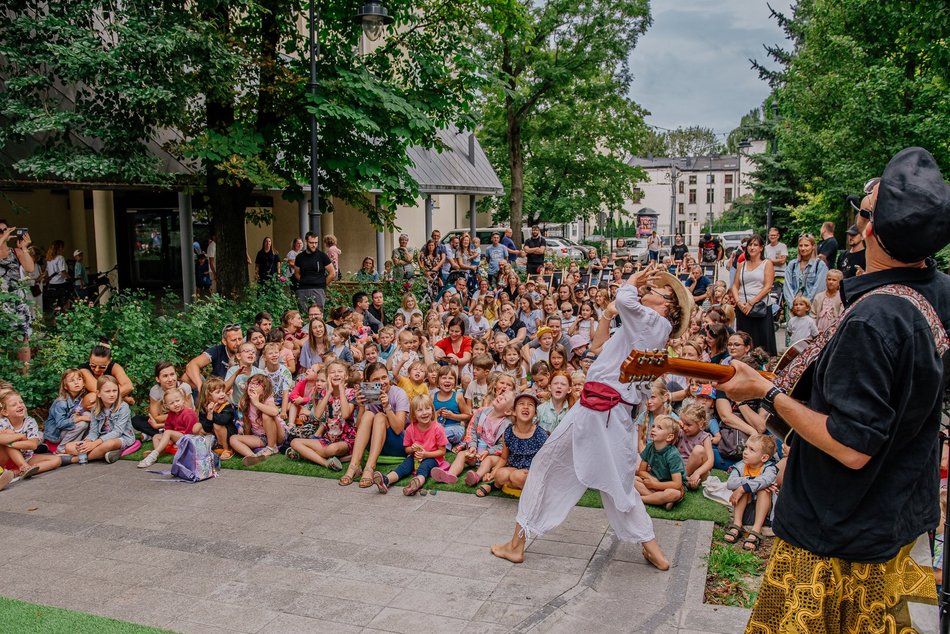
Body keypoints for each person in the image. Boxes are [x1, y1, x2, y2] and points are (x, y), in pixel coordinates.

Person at [717, 147, 950, 632]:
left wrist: (766, 392)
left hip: (835, 538)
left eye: (861, 212)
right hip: (891, 517)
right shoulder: (940, 292)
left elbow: (851, 446)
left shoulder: (873, 320)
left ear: (870, 230)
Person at [491, 263, 693, 569]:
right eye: (647, 288)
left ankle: (517, 544)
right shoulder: (641, 328)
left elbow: (626, 300)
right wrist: (610, 313)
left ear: (667, 305)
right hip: (602, 410)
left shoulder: (653, 322)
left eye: (655, 290)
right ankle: (651, 547)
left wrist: (630, 281)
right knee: (614, 483)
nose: (646, 291)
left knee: (552, 468)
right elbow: (598, 346)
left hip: (600, 411)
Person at [371, 393, 449, 496]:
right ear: (413, 414)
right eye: (420, 410)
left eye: (427, 408)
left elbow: (442, 451)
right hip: (415, 456)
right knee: (404, 467)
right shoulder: (410, 429)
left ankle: (417, 483)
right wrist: (412, 449)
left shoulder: (438, 428)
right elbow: (406, 449)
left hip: (432, 457)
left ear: (432, 410)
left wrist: (426, 454)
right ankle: (386, 480)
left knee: (424, 468)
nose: (424, 413)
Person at [723, 434, 778, 551]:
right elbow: (731, 483)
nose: (745, 452)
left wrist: (744, 487)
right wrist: (748, 484)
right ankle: (737, 524)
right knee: (745, 487)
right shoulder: (741, 465)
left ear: (764, 458)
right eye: (746, 447)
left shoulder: (770, 469)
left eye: (751, 450)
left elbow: (767, 479)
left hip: (765, 517)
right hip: (746, 512)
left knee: (763, 489)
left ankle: (756, 531)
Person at [730, 234, 776, 355]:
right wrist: (739, 302)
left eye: (755, 245)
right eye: (750, 245)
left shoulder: (767, 263)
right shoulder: (742, 264)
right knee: (744, 339)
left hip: (760, 306)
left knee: (762, 340)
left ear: (761, 248)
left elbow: (767, 286)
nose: (752, 247)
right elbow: (735, 285)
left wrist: (752, 302)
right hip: (743, 306)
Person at [0, 222, 35, 364]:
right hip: (1, 302)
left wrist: (24, 248)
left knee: (23, 337)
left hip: (17, 301)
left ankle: (25, 377)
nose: (3, 232)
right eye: (0, 230)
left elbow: (30, 268)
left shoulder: (15, 252)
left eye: (4, 230)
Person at [634, 415, 685, 510]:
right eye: (653, 426)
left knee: (674, 494)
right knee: (633, 480)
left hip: (669, 487)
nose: (653, 429)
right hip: (653, 481)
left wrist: (655, 485)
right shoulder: (649, 447)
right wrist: (651, 479)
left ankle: (641, 499)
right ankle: (660, 500)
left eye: (659, 428)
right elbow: (641, 471)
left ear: (669, 437)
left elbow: (677, 484)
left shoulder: (673, 455)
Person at [185, 324, 244, 389]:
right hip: (217, 389)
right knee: (186, 377)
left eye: (240, 339)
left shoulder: (249, 351)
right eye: (233, 340)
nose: (238, 343)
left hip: (239, 389)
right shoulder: (217, 351)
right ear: (224, 341)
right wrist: (201, 387)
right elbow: (191, 365)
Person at [783, 233, 828, 311]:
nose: (803, 248)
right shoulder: (792, 264)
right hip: (793, 308)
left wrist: (805, 306)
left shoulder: (820, 265)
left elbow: (819, 288)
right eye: (800, 245)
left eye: (806, 245)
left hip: (811, 308)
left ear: (813, 246)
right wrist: (793, 305)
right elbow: (787, 286)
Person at [294, 232, 336, 311]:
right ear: (306, 242)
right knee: (303, 315)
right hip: (303, 290)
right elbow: (296, 273)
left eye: (316, 243)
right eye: (311, 243)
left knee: (318, 315)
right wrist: (304, 281)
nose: (314, 245)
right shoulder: (299, 257)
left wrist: (322, 283)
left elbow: (332, 273)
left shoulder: (322, 256)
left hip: (318, 289)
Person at [764, 226, 788, 305]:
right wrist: (775, 261)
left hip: (781, 275)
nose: (773, 237)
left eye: (774, 235)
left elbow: (782, 261)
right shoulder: (766, 248)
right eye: (771, 235)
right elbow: (764, 262)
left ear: (778, 236)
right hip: (769, 276)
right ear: (768, 236)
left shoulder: (782, 246)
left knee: (782, 296)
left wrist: (770, 261)